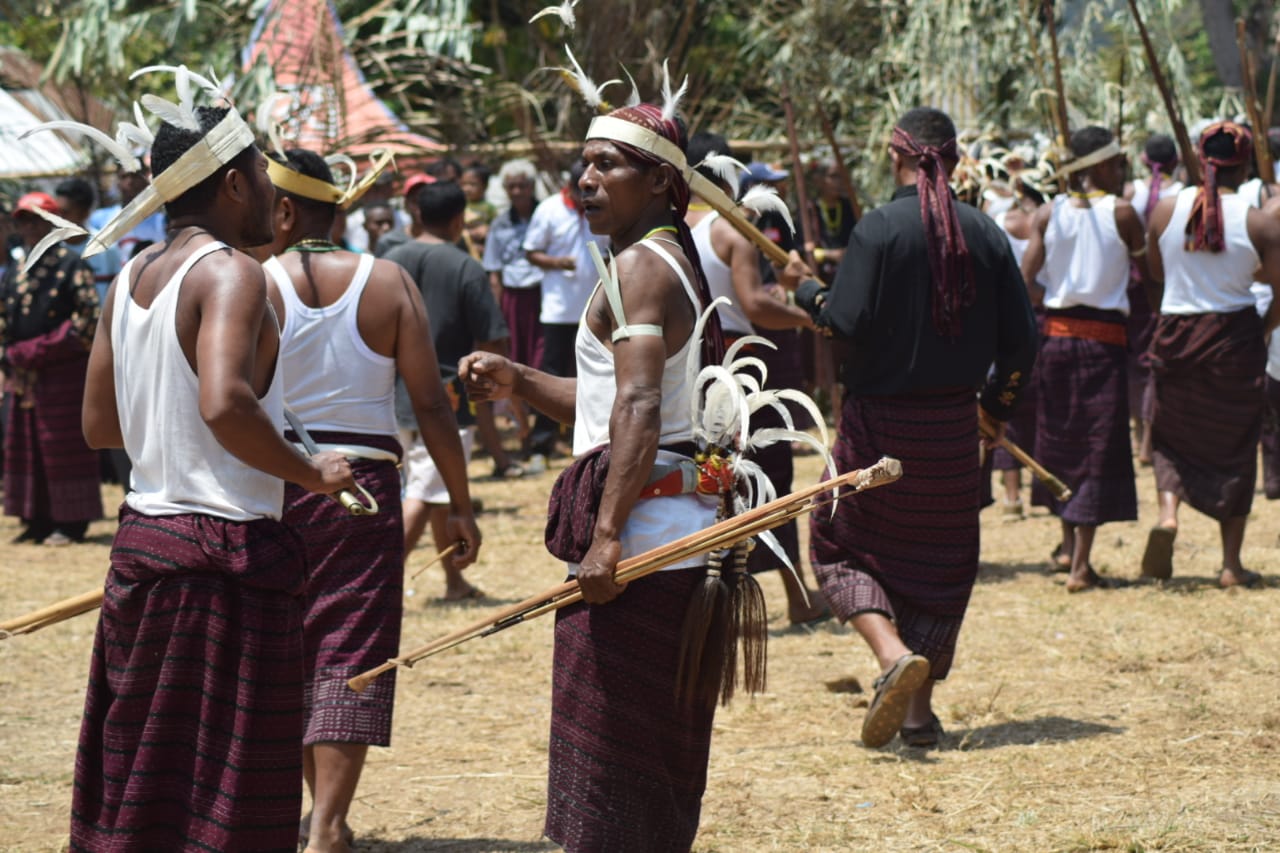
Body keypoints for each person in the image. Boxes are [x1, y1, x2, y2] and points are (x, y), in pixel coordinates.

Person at [462, 95, 744, 852]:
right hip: (671, 535)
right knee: (648, 764)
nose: (586, 178)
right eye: (583, 163)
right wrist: (520, 379)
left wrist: (608, 538)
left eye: (606, 164)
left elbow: (642, 405)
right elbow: (607, 404)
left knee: (619, 773)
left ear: (658, 182)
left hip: (644, 548)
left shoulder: (644, 267)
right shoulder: (651, 260)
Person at [73, 95, 355, 850]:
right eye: (263, 172)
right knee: (223, 802)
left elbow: (100, 426)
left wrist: (167, 429)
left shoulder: (130, 278)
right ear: (233, 184)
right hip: (220, 562)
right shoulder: (229, 274)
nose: (272, 190)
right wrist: (310, 469)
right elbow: (226, 402)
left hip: (144, 549)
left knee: (148, 792)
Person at [261, 148, 481, 852]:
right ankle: (328, 821)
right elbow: (432, 404)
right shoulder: (386, 282)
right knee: (348, 646)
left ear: (287, 210)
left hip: (279, 481)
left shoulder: (253, 283)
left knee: (293, 645)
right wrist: (462, 499)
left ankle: (319, 815)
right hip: (365, 485)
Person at [797, 107, 1038, 748]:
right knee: (938, 564)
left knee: (835, 540)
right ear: (955, 159)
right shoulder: (986, 232)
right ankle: (917, 716)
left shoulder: (877, 229)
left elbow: (842, 323)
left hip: (879, 428)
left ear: (893, 154)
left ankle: (888, 658)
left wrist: (808, 296)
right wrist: (994, 411)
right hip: (954, 430)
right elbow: (1022, 344)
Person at [685, 130, 826, 625]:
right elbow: (755, 305)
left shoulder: (672, 227)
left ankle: (743, 599)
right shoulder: (730, 228)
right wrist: (811, 314)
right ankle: (796, 597)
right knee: (769, 482)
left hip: (694, 375)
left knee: (716, 482)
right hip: (741, 371)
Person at [1140, 122, 1280, 587]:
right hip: (1233, 337)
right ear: (1244, 165)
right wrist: (1262, 330)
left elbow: (1155, 272)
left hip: (1176, 334)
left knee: (1170, 434)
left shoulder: (1163, 209)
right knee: (1236, 445)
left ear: (1202, 160)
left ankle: (1168, 516)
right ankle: (1230, 564)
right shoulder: (1260, 221)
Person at [1021, 126, 1146, 591]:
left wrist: (1060, 290)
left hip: (1056, 341)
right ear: (1094, 166)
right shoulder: (1123, 212)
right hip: (1099, 344)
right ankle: (1078, 565)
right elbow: (1149, 271)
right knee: (1090, 446)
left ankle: (1074, 553)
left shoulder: (1048, 214)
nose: (1120, 172)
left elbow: (1025, 279)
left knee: (1064, 442)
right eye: (1115, 164)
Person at [384, 180, 508, 599]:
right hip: (444, 396)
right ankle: (381, 586)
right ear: (459, 220)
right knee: (423, 492)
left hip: (390, 391)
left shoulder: (389, 259)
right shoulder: (464, 266)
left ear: (418, 214)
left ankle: (453, 580)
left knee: (432, 488)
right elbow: (493, 340)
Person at [1, 191, 102, 545]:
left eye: (36, 220)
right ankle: (36, 518)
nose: (29, 227)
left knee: (62, 448)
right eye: (24, 220)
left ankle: (71, 523)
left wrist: (39, 349)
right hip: (23, 375)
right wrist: (8, 355)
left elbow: (88, 320)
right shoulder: (15, 269)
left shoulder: (72, 265)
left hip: (63, 372)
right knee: (27, 446)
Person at [523, 159, 607, 457]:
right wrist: (557, 263)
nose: (585, 195)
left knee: (592, 372)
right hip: (558, 309)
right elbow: (531, 251)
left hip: (596, 309)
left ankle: (583, 434)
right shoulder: (548, 210)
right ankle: (544, 437)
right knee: (553, 371)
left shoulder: (602, 209)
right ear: (569, 186)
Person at [990, 166, 1050, 519]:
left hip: (1010, 320)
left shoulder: (1001, 221)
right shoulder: (1049, 220)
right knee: (1034, 405)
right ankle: (1030, 490)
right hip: (1041, 318)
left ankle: (1014, 495)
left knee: (1008, 400)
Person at [1126, 135, 1183, 466]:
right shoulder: (1181, 197)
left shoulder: (1132, 193)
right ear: (1175, 162)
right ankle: (1148, 435)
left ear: (1145, 161)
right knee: (1155, 361)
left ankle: (1139, 432)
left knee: (1135, 362)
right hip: (1166, 286)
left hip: (1133, 287)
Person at [482, 159, 543, 455]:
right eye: (512, 186)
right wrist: (496, 311)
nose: (517, 191)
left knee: (542, 362)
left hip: (543, 296)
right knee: (515, 362)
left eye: (523, 185)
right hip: (512, 298)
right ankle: (524, 430)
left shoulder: (546, 215)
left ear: (532, 186)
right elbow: (493, 269)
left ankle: (548, 426)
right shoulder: (500, 223)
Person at [88, 164, 166, 258]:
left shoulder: (161, 222)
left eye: (135, 175)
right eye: (124, 177)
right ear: (117, 183)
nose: (130, 181)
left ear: (146, 180)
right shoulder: (98, 219)